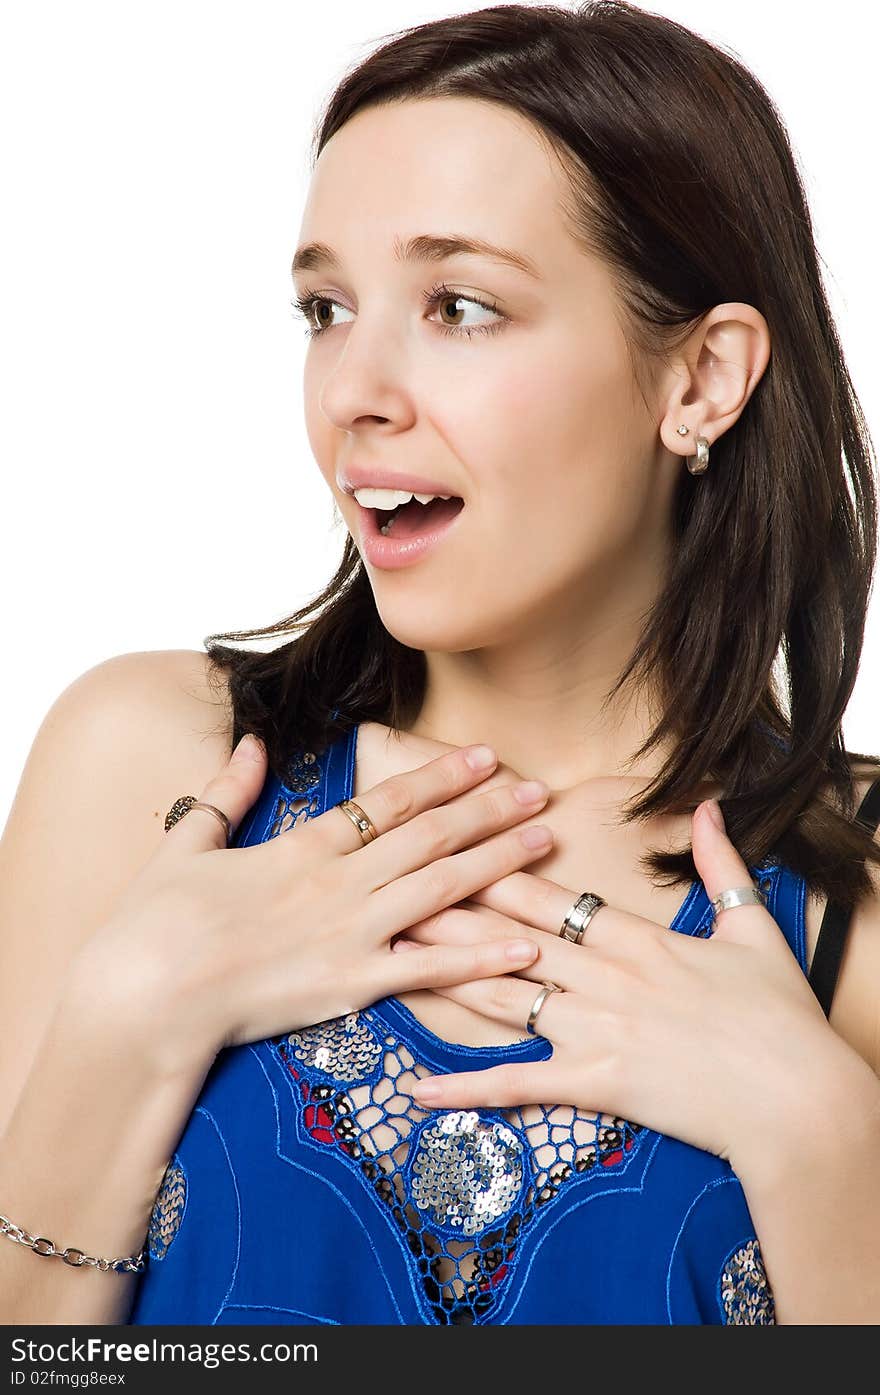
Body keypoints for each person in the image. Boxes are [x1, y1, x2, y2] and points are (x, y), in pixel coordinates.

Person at [2, 0, 880, 1327]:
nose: (355, 388)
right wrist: (132, 1016)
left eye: (459, 306)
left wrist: (824, 1145)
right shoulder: (148, 765)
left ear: (701, 379)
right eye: (326, 308)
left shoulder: (852, 897)